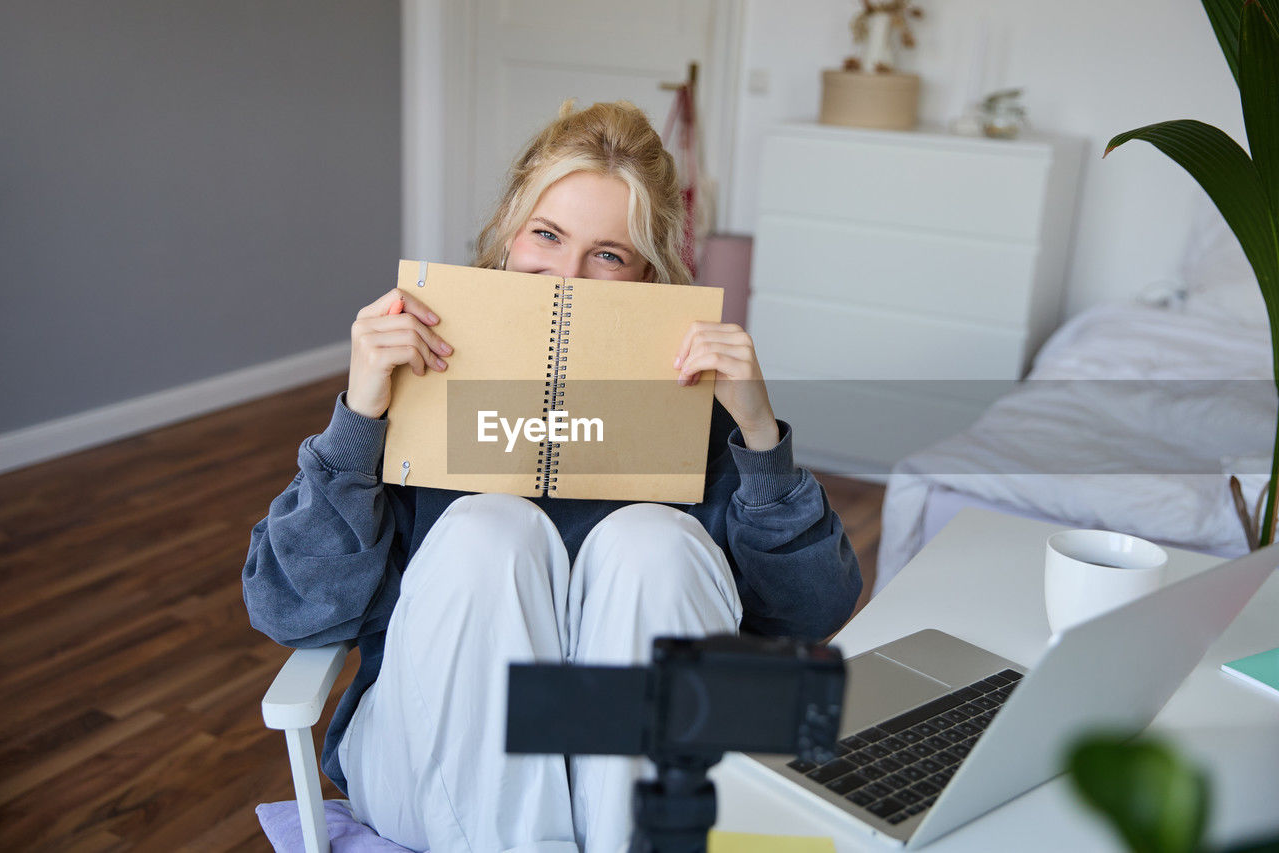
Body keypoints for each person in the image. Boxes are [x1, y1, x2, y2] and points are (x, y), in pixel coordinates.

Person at [243, 100, 861, 853]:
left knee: (653, 541)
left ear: (645, 273)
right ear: (508, 229)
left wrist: (760, 436)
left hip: (629, 776)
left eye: (608, 254)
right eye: (548, 234)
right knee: (487, 528)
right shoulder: (416, 373)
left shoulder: (692, 396)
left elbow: (808, 613)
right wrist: (360, 417)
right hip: (436, 759)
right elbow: (291, 609)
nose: (568, 275)